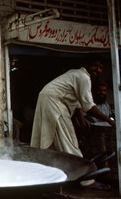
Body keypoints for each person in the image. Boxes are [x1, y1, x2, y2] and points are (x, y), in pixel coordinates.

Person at [30, 56, 115, 190]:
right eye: (95, 66)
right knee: (69, 143)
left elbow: (78, 106)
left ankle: (45, 177)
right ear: (86, 64)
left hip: (47, 99)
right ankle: (86, 180)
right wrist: (110, 121)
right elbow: (89, 106)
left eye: (100, 67)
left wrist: (82, 124)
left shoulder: (75, 74)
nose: (98, 70)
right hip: (54, 103)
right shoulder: (83, 77)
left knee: (49, 141)